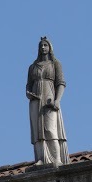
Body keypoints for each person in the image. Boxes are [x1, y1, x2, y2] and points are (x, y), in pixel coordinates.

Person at [26, 37, 69, 165]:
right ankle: (41, 158)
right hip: (35, 101)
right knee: (37, 131)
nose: (43, 47)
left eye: (45, 45)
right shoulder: (32, 67)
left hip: (49, 99)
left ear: (50, 47)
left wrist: (57, 100)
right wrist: (28, 94)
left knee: (50, 129)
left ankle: (56, 159)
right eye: (41, 46)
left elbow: (61, 84)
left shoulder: (55, 64)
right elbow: (28, 85)